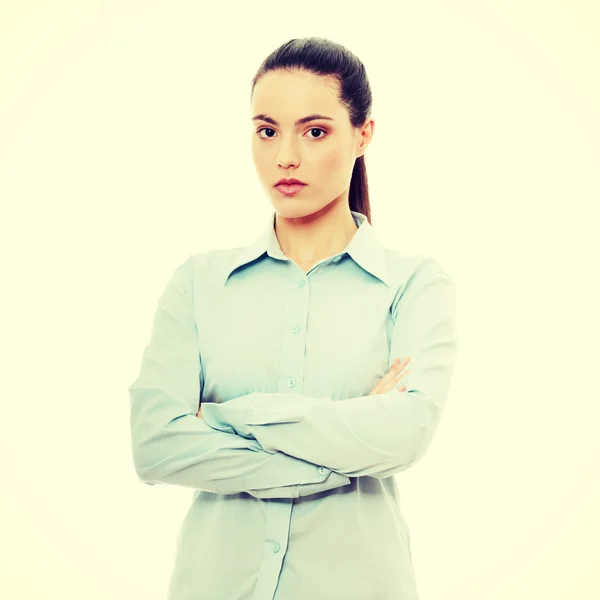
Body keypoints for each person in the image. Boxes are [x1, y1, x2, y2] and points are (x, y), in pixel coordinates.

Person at [129, 36, 459, 600]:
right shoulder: (199, 283)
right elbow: (157, 444)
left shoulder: (412, 285)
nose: (285, 156)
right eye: (266, 130)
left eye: (314, 131)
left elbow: (405, 434)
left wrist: (227, 416)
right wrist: (340, 454)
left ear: (363, 135)